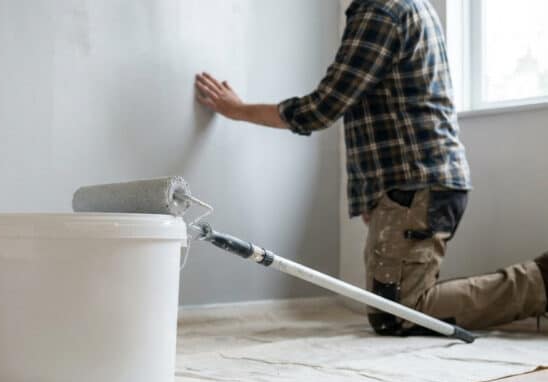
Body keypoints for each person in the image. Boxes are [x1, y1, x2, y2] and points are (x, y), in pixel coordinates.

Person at [194, 0, 547, 334]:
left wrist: (237, 110)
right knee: (390, 308)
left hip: (417, 185)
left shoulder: (380, 10)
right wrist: (375, 197)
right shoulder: (404, 6)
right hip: (421, 182)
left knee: (399, 313)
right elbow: (384, 107)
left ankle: (541, 283)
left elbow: (323, 107)